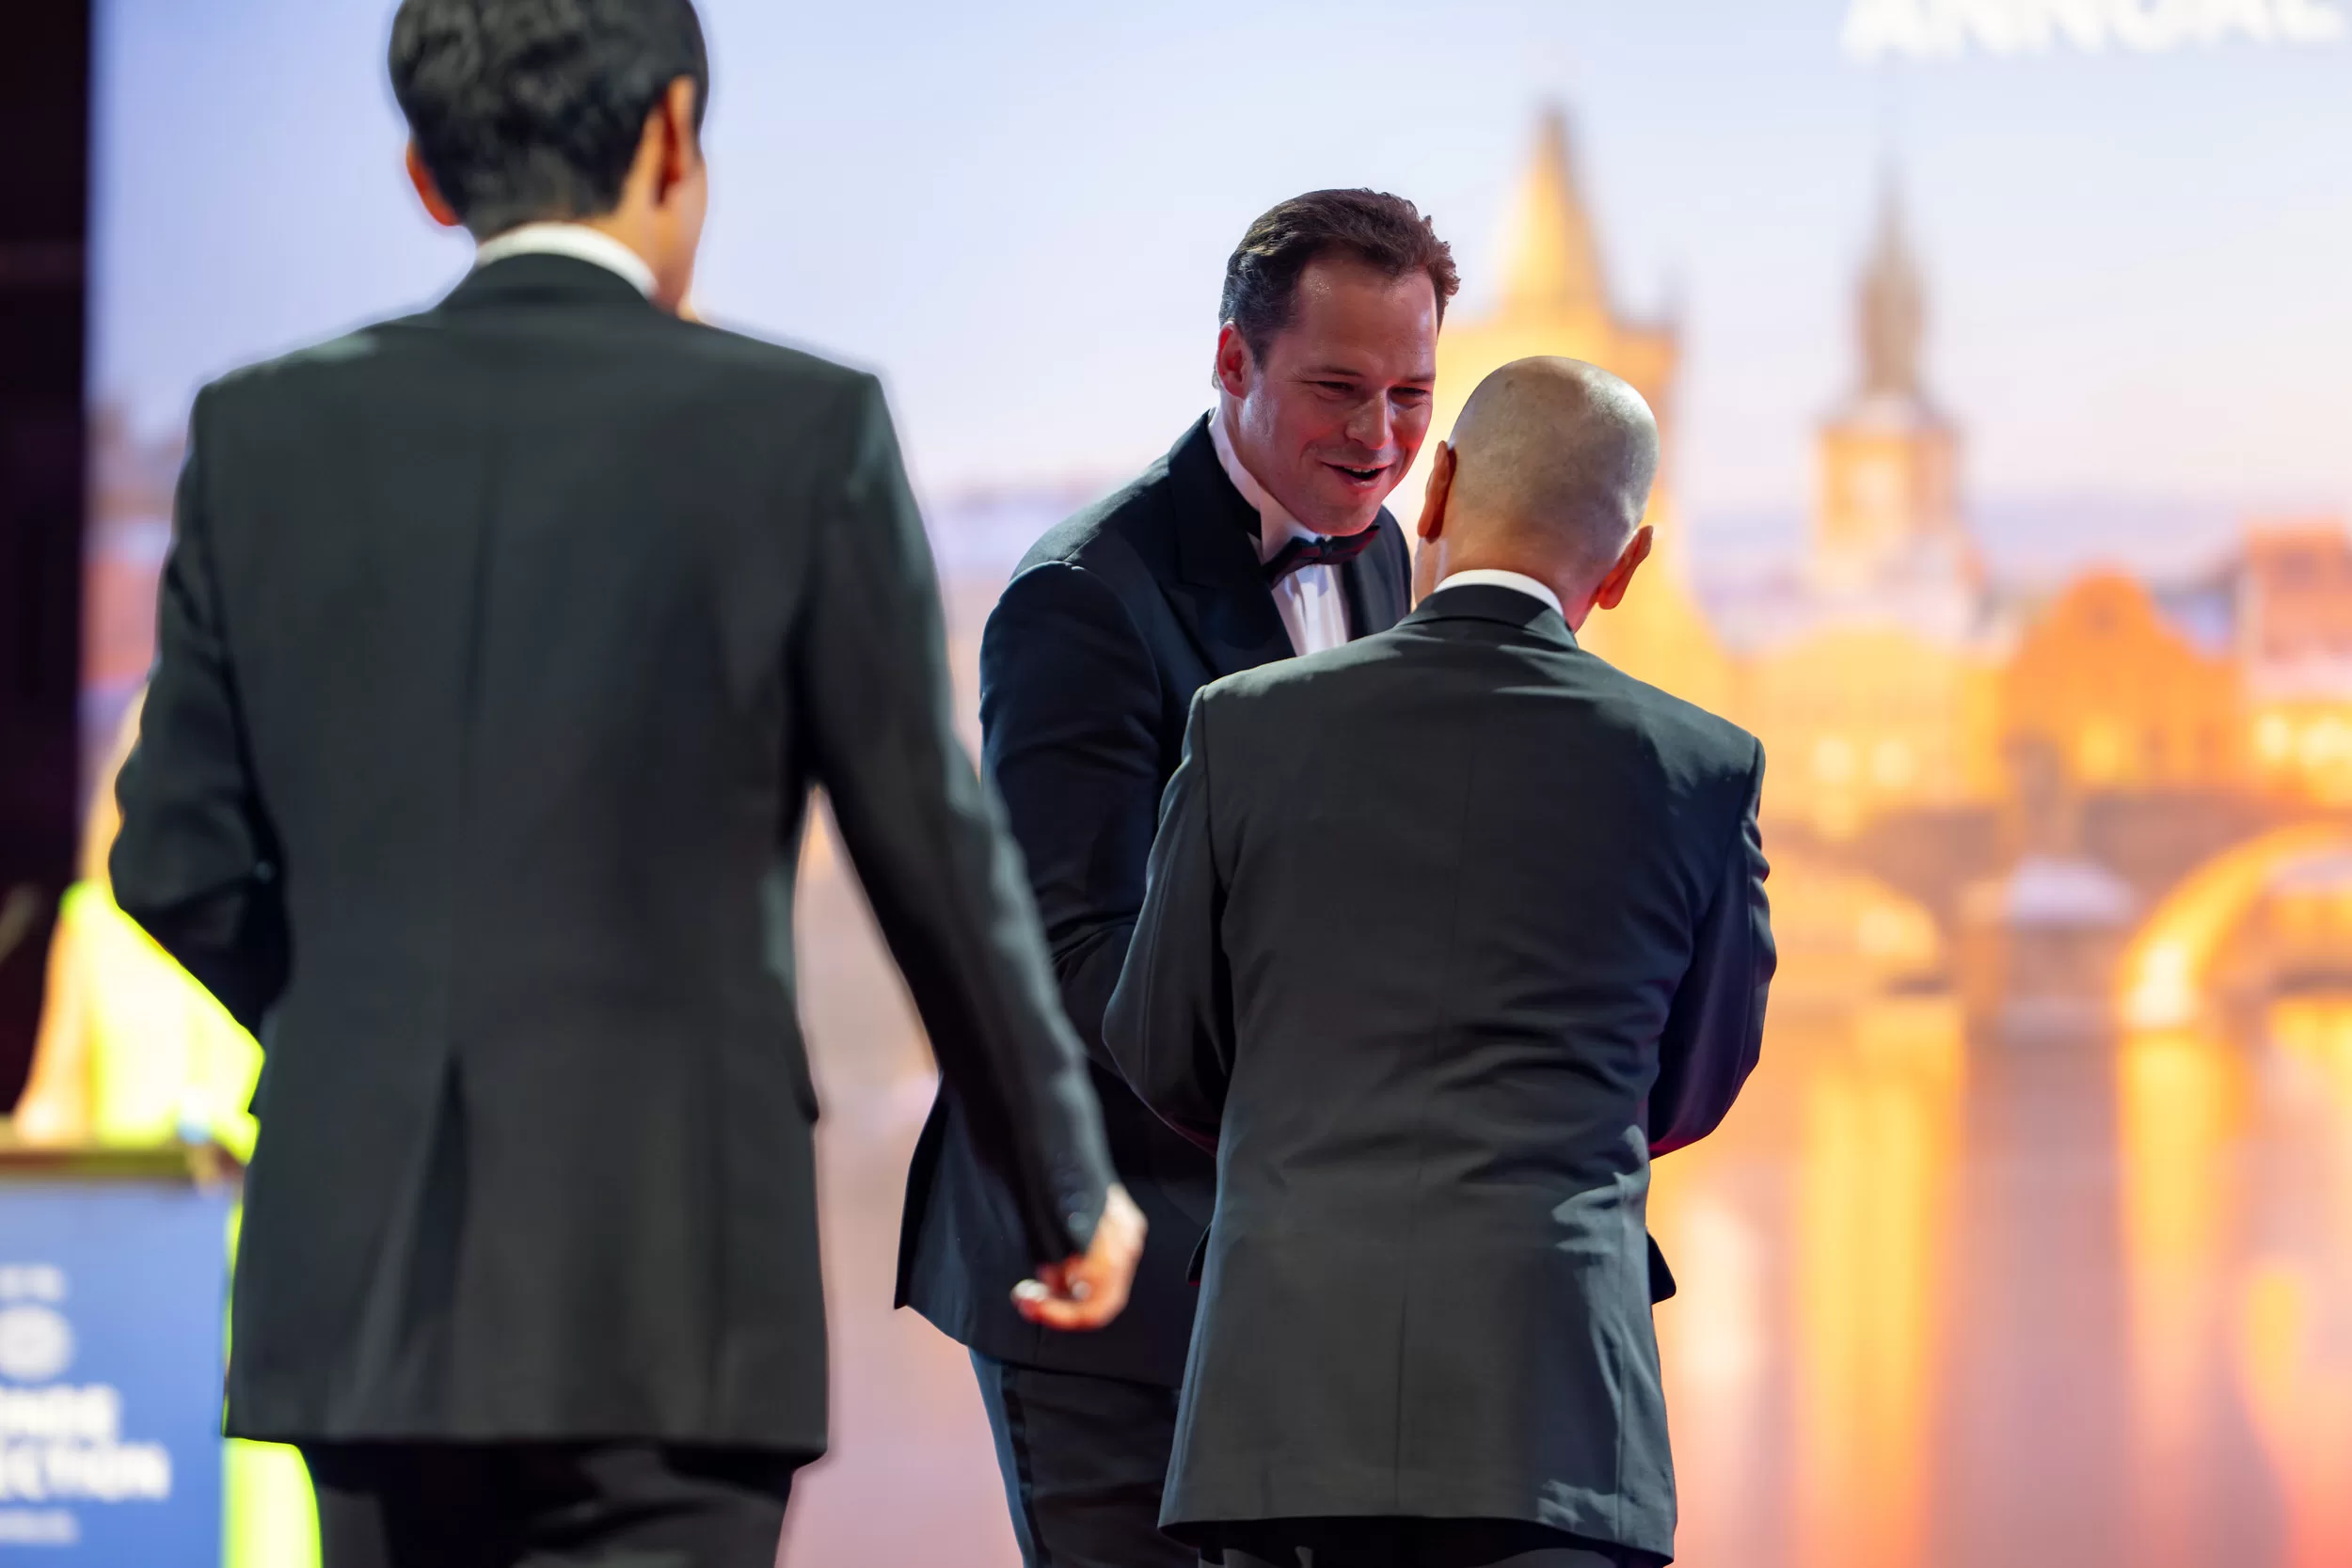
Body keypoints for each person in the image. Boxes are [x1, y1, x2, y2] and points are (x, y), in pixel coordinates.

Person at [107, 3, 1141, 1564]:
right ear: (673, 131)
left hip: (370, 1285)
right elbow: (932, 851)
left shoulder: (258, 433)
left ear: (425, 176)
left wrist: (358, 1045)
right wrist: (1067, 1183)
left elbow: (172, 858)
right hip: (673, 1286)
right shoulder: (802, 429)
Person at [1106, 357, 1775, 1568]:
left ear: (1441, 484)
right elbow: (1694, 1084)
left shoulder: (1244, 725)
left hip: (1280, 1416)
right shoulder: (1702, 770)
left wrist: (1297, 1132)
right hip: (1553, 1422)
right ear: (1627, 566)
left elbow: (1159, 1045)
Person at [896, 189, 1455, 1567]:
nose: (1379, 438)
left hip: (1282, 1264)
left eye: (1411, 393)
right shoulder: (1081, 596)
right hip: (1104, 1262)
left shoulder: (1385, 550)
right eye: (1337, 389)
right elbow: (1064, 958)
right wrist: (1325, 1093)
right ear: (1230, 362)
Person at [14, 689, 317, 1568]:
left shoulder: (289, 914)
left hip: (253, 1246)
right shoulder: (94, 925)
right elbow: (52, 1111)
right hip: (131, 1271)